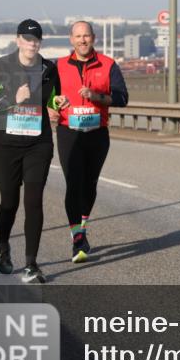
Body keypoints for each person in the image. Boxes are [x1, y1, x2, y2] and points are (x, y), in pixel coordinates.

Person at [0, 19, 61, 284]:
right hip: (6, 145)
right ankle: (2, 244)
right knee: (9, 202)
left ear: (40, 43)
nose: (32, 44)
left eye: (36, 40)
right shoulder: (2, 66)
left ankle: (31, 265)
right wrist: (14, 100)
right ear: (18, 40)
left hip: (38, 142)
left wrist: (58, 102)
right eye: (27, 39)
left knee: (34, 201)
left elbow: (53, 97)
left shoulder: (49, 68)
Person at [54, 21, 129, 263]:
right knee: (73, 183)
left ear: (93, 38)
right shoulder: (58, 66)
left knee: (89, 184)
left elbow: (122, 97)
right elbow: (46, 97)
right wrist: (53, 106)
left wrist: (95, 96)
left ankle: (82, 225)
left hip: (97, 133)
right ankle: (77, 238)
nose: (82, 40)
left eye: (86, 36)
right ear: (71, 39)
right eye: (78, 36)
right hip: (69, 132)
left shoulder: (107, 65)